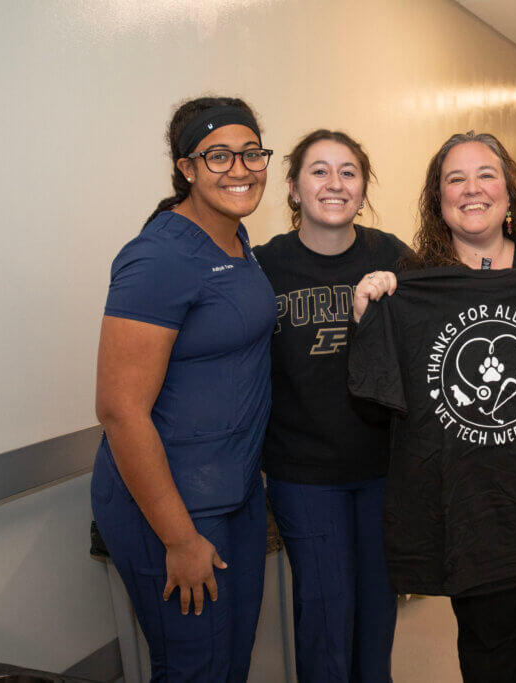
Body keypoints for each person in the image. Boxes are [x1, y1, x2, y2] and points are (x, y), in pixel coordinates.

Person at [351, 132, 516, 683]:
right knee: (489, 654)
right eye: (455, 178)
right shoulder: (413, 285)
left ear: (509, 193)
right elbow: (378, 405)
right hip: (476, 515)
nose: (472, 188)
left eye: (487, 174)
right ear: (438, 200)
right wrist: (371, 319)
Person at [91, 97, 277, 682]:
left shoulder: (238, 242)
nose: (240, 169)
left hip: (235, 493)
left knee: (230, 661)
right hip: (172, 506)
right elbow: (120, 410)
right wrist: (178, 537)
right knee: (196, 668)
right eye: (217, 155)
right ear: (187, 168)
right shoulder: (159, 257)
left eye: (252, 153)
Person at [252, 129, 410, 683]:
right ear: (293, 188)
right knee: (325, 611)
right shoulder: (264, 267)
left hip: (382, 468)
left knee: (377, 611)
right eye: (319, 171)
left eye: (349, 171)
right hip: (304, 472)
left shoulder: (391, 255)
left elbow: (447, 314)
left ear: (362, 189)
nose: (335, 183)